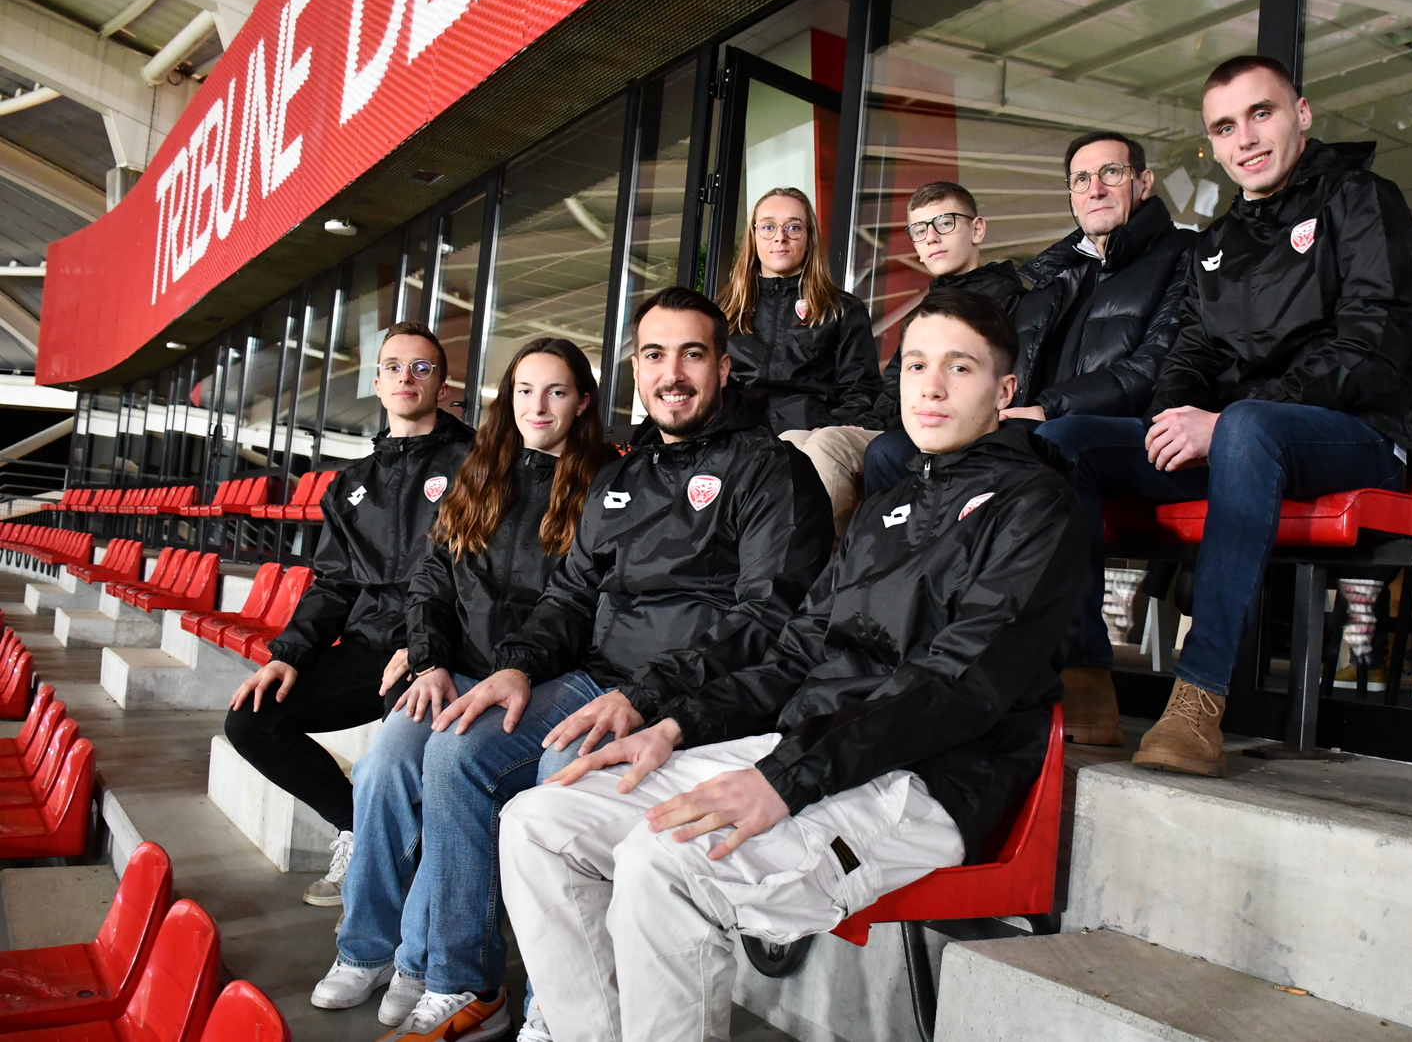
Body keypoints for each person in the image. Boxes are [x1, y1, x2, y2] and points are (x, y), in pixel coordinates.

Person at [498, 288, 1090, 1042]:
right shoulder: (888, 507)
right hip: (813, 748)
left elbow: (957, 687)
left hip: (930, 776)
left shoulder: (1037, 506)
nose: (932, 387)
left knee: (664, 861)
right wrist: (678, 723)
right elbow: (796, 652)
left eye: (960, 368)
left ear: (1004, 391)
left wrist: (786, 777)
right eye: (915, 365)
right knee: (538, 822)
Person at [340, 286, 832, 1042]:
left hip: (693, 698)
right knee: (454, 749)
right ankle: (466, 982)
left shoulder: (770, 470)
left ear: (724, 368)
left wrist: (644, 696)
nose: (672, 373)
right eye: (656, 355)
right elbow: (569, 597)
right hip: (597, 677)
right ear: (638, 367)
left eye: (692, 354)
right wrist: (515, 668)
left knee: (557, 769)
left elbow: (767, 618)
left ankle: (556, 1006)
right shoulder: (622, 477)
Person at [1035, 55, 1412, 777]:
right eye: (1225, 127)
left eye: (1262, 114)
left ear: (1302, 114)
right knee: (1067, 439)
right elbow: (1185, 359)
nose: (1245, 138)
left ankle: (1199, 700)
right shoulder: (1216, 242)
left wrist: (1225, 423)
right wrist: (1172, 421)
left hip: (1366, 432)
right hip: (1246, 441)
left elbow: (1374, 344)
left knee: (1250, 423)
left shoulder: (1363, 200)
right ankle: (1087, 678)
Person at [307, 338, 616, 1034]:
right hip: (462, 668)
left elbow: (579, 605)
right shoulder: (482, 470)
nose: (537, 406)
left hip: (545, 674)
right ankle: (368, 949)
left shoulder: (602, 482)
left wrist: (518, 670)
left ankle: (429, 960)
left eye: (557, 391)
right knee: (385, 764)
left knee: (451, 756)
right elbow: (431, 581)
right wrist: (428, 658)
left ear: (583, 401)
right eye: (524, 390)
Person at [225, 322, 474, 906]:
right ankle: (359, 828)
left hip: (443, 644)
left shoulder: (478, 464)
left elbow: (481, 575)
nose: (406, 377)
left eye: (422, 367)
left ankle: (403, 885)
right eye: (393, 366)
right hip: (368, 648)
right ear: (377, 382)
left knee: (402, 732)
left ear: (441, 385)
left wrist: (428, 644)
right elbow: (333, 583)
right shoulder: (351, 484)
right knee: (252, 718)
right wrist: (288, 656)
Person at [861, 134, 1192, 509]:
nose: (1095, 189)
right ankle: (903, 565)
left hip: (1115, 425)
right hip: (1036, 419)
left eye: (1111, 173)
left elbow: (1157, 363)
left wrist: (1049, 407)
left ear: (1143, 183)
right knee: (888, 450)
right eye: (1081, 179)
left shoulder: (1183, 252)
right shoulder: (1055, 275)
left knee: (1056, 439)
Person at [717, 186, 879, 534]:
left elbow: (861, 388)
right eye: (768, 227)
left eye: (794, 227)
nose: (781, 238)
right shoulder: (724, 313)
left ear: (808, 238)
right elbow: (712, 391)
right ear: (754, 236)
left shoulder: (841, 310)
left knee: (798, 458)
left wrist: (830, 428)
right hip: (742, 441)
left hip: (812, 436)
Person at [856, 180, 1030, 495]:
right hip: (898, 423)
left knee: (850, 449)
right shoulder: (925, 310)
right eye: (919, 230)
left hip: (963, 429)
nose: (931, 237)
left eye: (945, 223)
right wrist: (865, 421)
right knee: (797, 444)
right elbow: (897, 382)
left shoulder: (1012, 300)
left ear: (977, 229)